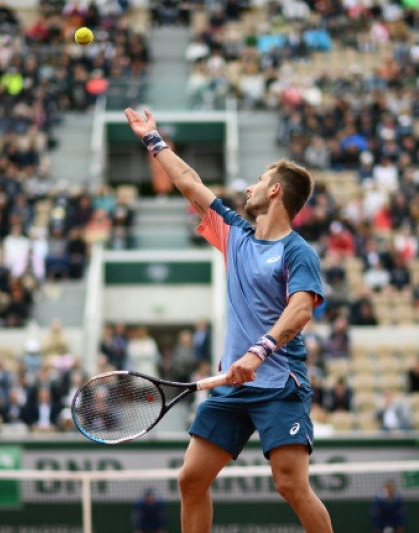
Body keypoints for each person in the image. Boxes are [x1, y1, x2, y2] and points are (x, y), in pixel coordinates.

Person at [124, 107, 333, 532]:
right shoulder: (234, 232)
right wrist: (153, 139)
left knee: (290, 484)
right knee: (191, 480)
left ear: (274, 191)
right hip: (231, 384)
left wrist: (258, 353)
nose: (250, 187)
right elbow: (188, 182)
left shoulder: (297, 252)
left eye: (258, 180)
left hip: (277, 382)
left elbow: (301, 309)